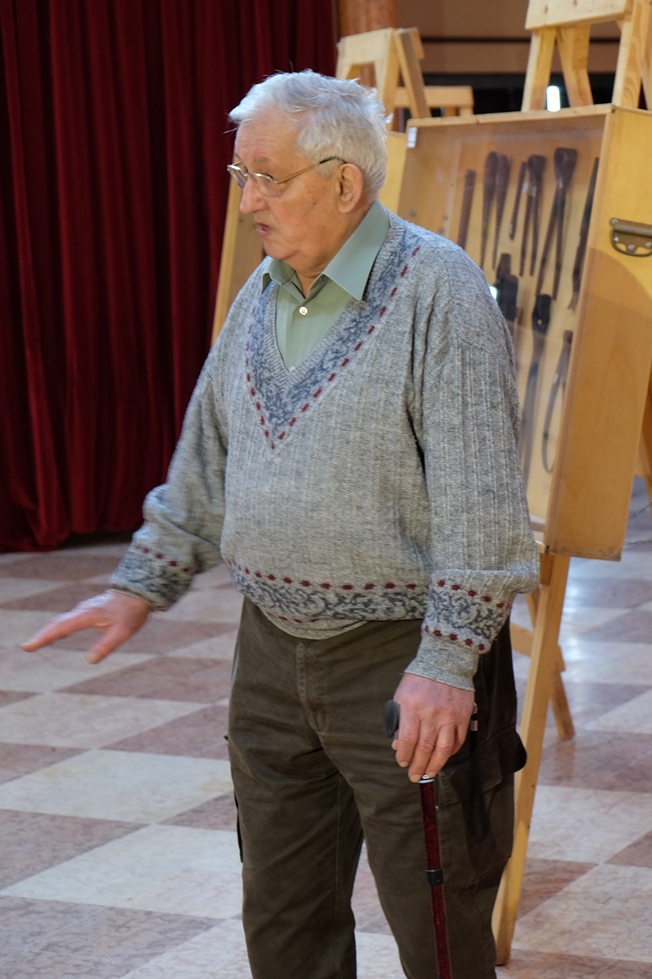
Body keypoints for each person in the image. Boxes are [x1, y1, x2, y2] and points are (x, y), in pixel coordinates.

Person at [22, 70, 537, 979]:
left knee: (438, 928)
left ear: (345, 183)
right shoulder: (260, 291)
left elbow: (484, 504)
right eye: (238, 176)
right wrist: (143, 580)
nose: (247, 199)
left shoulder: (439, 293)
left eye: (266, 176)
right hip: (269, 657)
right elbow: (207, 457)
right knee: (283, 917)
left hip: (399, 664)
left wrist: (448, 663)